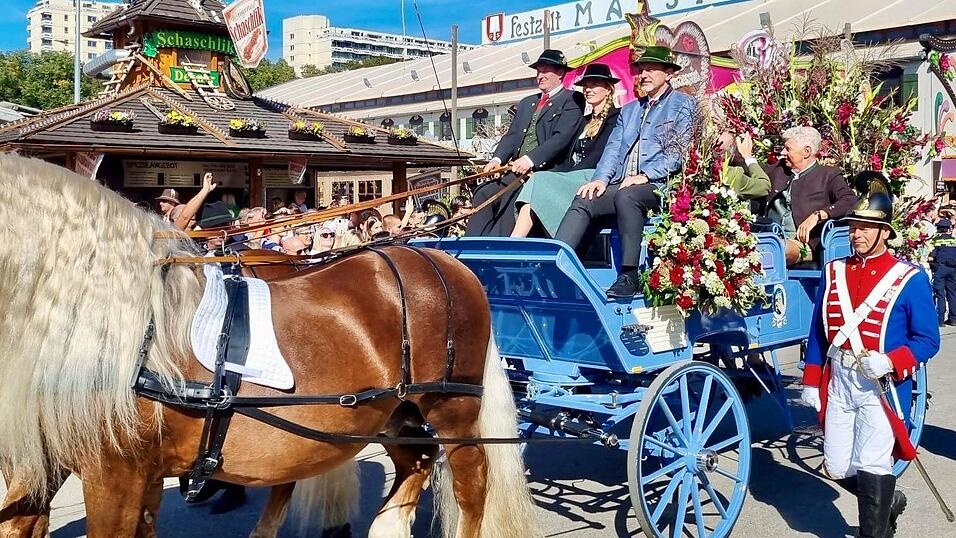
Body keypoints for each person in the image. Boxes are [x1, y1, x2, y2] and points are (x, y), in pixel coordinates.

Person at [800, 172, 940, 538]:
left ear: (886, 232)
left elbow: (928, 340)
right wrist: (812, 379)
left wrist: (893, 361)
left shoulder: (909, 278)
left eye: (866, 227)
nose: (857, 233)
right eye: (853, 226)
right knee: (836, 464)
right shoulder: (833, 271)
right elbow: (818, 333)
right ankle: (888, 502)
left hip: (882, 384)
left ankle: (874, 532)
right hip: (841, 380)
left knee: (874, 464)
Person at [553, 45, 696, 298]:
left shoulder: (683, 105)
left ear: (669, 74)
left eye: (651, 69)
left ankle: (629, 275)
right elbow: (613, 149)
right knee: (585, 198)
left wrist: (647, 175)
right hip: (623, 182)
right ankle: (558, 265)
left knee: (626, 196)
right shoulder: (630, 110)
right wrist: (599, 179)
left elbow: (679, 154)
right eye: (641, 70)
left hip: (662, 185)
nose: (644, 74)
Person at [465, 49, 586, 236]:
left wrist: (530, 160)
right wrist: (497, 159)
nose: (540, 76)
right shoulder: (527, 102)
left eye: (546, 71)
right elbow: (512, 135)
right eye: (538, 71)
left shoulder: (572, 100)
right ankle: (471, 247)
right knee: (483, 193)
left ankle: (499, 250)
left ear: (560, 73)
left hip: (546, 174)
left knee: (510, 199)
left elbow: (561, 138)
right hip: (516, 172)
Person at [512, 63, 622, 238]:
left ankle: (518, 240)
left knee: (541, 180)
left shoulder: (616, 117)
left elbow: (600, 154)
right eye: (586, 85)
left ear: (608, 89)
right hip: (572, 176)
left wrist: (560, 176)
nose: (588, 89)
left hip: (594, 176)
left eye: (594, 85)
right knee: (536, 179)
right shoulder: (584, 120)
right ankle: (516, 241)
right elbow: (567, 157)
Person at [760, 126, 858, 265]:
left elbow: (850, 200)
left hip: (802, 244)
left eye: (788, 149)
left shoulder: (828, 175)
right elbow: (752, 170)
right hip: (769, 236)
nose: (782, 152)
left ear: (806, 152)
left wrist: (819, 215)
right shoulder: (778, 169)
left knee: (776, 249)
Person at [717, 131, 772, 199]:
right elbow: (764, 186)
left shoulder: (703, 167)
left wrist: (740, 161)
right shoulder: (732, 175)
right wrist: (748, 157)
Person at [930, 218, 956, 326]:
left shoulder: (936, 241)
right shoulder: (954, 241)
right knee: (952, 294)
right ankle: (953, 319)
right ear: (949, 228)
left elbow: (932, 256)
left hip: (940, 269)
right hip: (953, 269)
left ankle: (940, 320)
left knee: (940, 294)